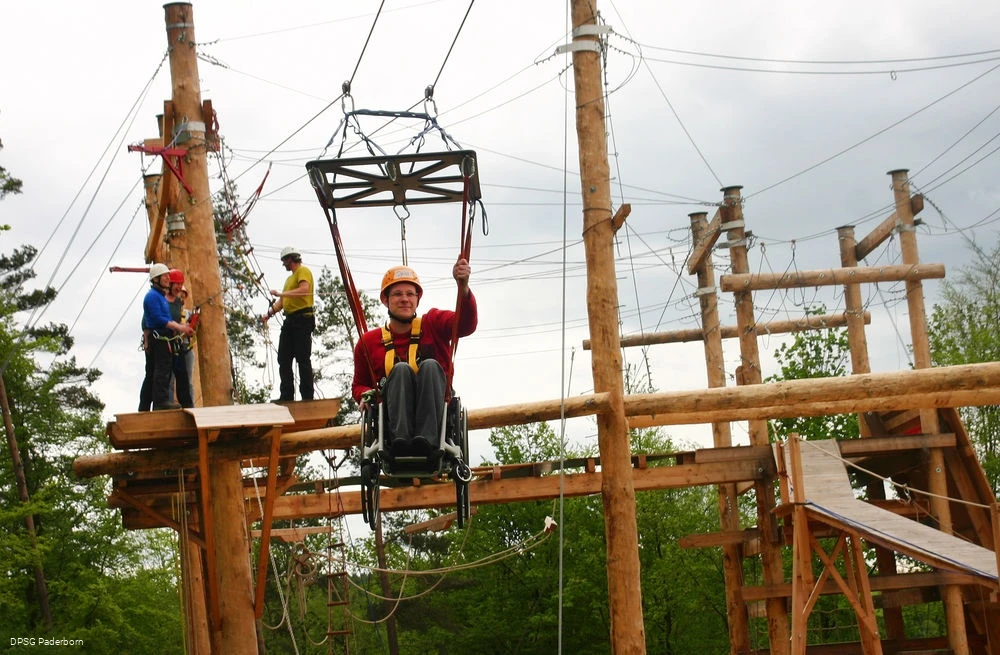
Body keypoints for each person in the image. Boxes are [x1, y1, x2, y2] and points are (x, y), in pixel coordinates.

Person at [352, 258, 477, 454]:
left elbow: (466, 325)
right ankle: (400, 440)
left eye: (410, 294)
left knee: (430, 366)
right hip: (393, 424)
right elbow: (359, 384)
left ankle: (427, 440)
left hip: (436, 416)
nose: (405, 299)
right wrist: (364, 395)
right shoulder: (368, 343)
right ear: (385, 300)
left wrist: (464, 288)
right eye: (397, 294)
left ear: (418, 299)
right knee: (400, 370)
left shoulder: (433, 323)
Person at [262, 246, 315, 401]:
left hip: (303, 319)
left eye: (284, 261)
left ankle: (307, 396)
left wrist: (281, 293)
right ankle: (286, 395)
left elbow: (304, 290)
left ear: (290, 259)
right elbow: (282, 302)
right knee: (284, 358)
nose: (283, 264)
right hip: (290, 320)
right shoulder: (288, 280)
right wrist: (268, 314)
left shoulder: (303, 271)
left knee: (302, 358)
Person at [140, 263, 194, 411]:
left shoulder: (169, 299)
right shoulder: (154, 297)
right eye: (176, 284)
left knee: (180, 374)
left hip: (171, 340)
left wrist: (183, 327)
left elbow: (168, 319)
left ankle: (186, 404)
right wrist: (146, 341)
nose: (178, 288)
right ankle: (153, 405)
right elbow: (156, 320)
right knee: (158, 373)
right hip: (159, 338)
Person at [166, 269, 195, 408]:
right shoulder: (168, 306)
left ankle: (189, 405)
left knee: (186, 380)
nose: (181, 298)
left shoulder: (186, 312)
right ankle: (169, 404)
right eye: (180, 294)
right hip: (171, 346)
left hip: (185, 348)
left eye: (183, 295)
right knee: (169, 379)